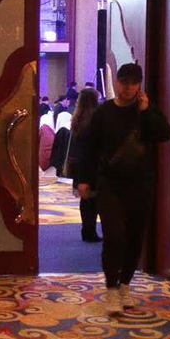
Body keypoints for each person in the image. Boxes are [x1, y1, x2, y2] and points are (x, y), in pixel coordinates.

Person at [78, 63, 170, 316]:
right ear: (117, 82)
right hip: (110, 182)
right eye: (124, 82)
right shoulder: (104, 112)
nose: (128, 87)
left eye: (133, 82)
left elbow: (164, 134)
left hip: (141, 183)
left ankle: (125, 286)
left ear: (139, 85)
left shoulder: (147, 111)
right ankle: (111, 289)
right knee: (114, 235)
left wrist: (146, 111)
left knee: (134, 237)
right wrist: (83, 179)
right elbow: (88, 146)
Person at [69, 88, 101, 242]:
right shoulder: (96, 120)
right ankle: (90, 231)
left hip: (80, 166)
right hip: (94, 165)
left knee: (86, 201)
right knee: (95, 201)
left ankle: (87, 230)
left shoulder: (77, 119)